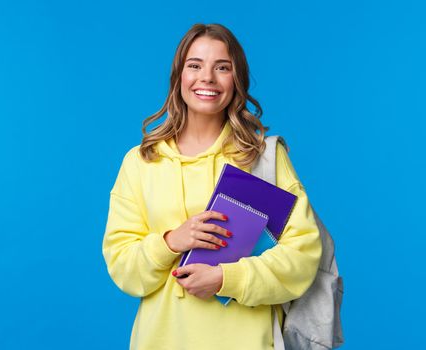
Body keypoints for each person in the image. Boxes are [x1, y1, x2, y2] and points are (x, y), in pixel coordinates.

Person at [102, 23, 322, 350]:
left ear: (237, 80)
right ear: (179, 77)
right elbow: (124, 269)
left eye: (222, 67)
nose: (207, 77)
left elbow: (302, 257)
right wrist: (171, 241)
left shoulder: (261, 157)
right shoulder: (141, 162)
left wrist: (225, 279)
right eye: (195, 66)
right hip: (161, 339)